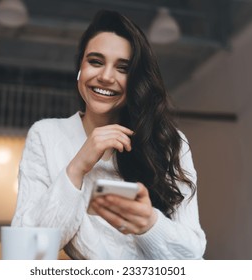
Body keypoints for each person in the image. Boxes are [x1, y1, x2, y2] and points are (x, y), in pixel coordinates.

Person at [11, 9, 206, 259]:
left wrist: (149, 223)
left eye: (123, 68)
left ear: (135, 79)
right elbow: (24, 253)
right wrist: (78, 166)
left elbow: (192, 255)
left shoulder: (169, 141)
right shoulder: (46, 135)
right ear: (80, 67)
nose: (105, 76)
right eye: (95, 61)